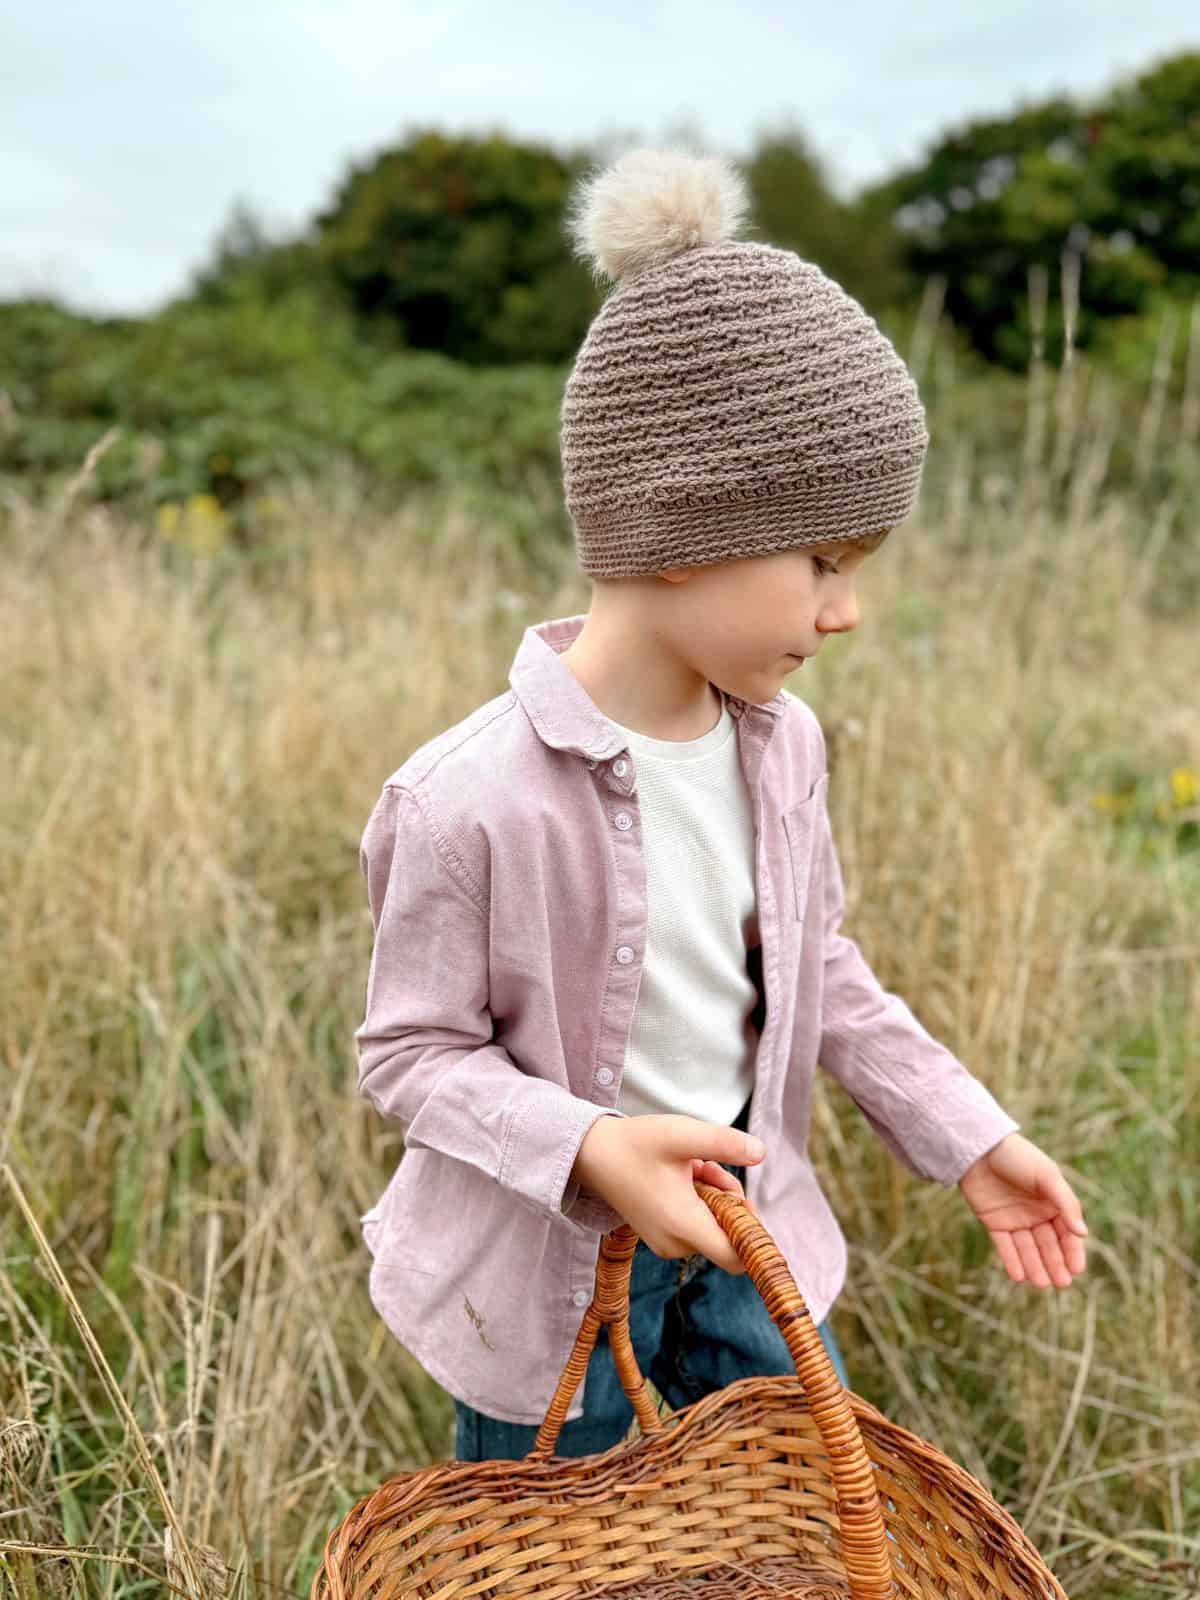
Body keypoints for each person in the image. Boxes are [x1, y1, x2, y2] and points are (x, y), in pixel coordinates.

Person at [353, 146, 1089, 1464]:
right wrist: (592, 1146)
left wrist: (970, 1137)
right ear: (683, 526)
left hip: (755, 1242)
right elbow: (410, 1057)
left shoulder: (784, 748)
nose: (845, 610)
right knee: (566, 1549)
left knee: (788, 1525)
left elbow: (824, 969)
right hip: (550, 1283)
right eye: (824, 560)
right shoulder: (466, 798)